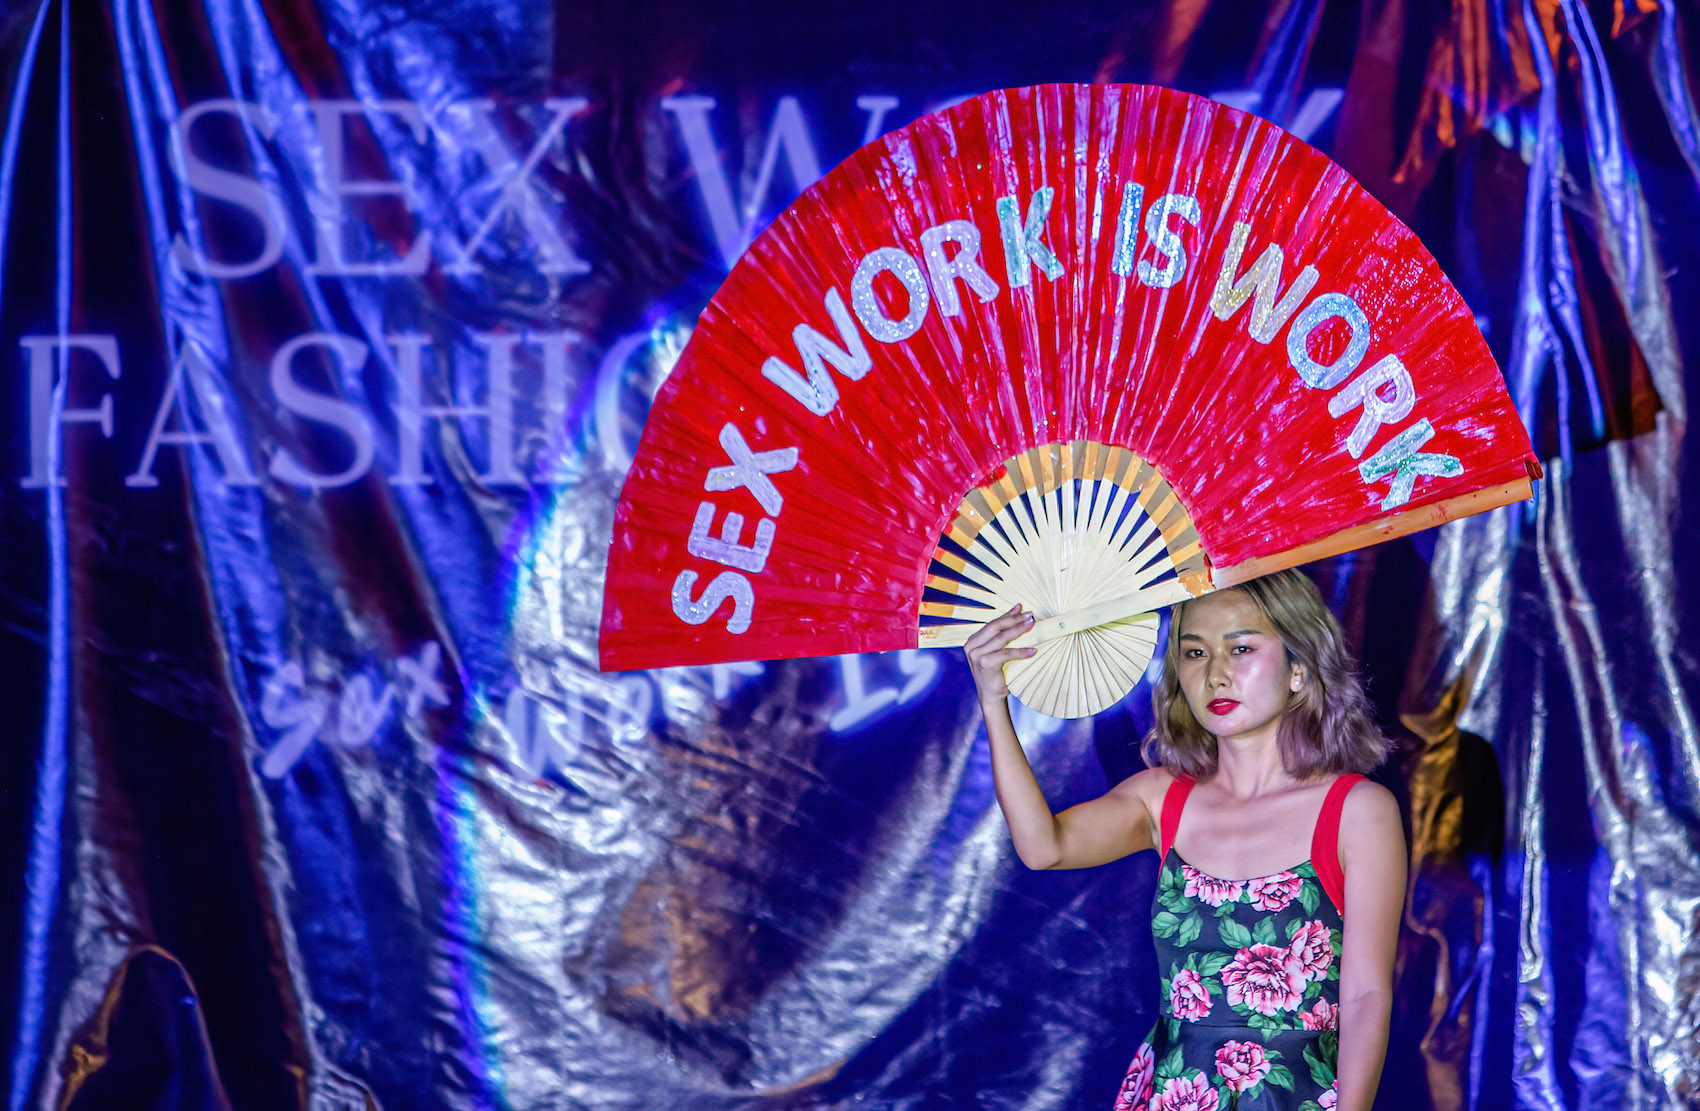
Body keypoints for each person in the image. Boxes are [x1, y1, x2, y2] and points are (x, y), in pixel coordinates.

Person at [965, 569, 1405, 1111]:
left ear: (1299, 668)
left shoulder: (1357, 810)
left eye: (1240, 648)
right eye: (1195, 653)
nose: (1216, 674)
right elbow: (1043, 847)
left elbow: (1365, 995)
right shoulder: (1162, 798)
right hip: (1175, 1091)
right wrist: (994, 702)